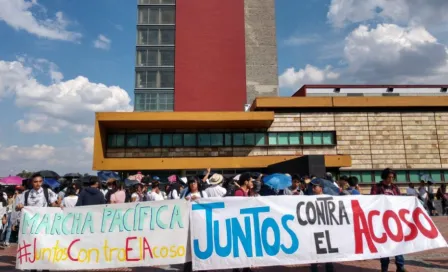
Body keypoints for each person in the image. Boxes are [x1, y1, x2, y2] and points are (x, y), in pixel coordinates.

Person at [370, 168, 406, 272]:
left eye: (392, 177)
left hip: (394, 219)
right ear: (384, 176)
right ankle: (384, 267)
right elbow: (373, 201)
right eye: (389, 177)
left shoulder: (395, 188)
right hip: (381, 220)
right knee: (384, 244)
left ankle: (400, 266)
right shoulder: (376, 187)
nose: (391, 179)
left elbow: (399, 200)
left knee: (397, 242)